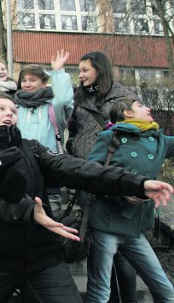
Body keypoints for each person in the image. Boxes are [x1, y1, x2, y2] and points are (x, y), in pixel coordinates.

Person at [0, 91, 172, 303]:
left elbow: (78, 169)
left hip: (43, 257)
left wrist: (136, 184)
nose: (9, 113)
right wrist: (29, 211)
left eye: (13, 111)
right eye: (1, 109)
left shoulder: (32, 148)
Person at [84, 97, 174, 303]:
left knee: (166, 290)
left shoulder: (158, 140)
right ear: (128, 113)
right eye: (141, 105)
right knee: (100, 292)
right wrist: (122, 191)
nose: (148, 107)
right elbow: (89, 173)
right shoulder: (110, 137)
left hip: (134, 227)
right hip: (106, 222)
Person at [67, 51, 137, 303]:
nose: (81, 75)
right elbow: (73, 128)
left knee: (122, 251)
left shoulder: (125, 98)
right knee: (98, 243)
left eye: (85, 69)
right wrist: (75, 147)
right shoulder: (79, 96)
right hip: (88, 177)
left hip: (117, 179)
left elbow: (137, 137)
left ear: (100, 69)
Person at [0, 49, 73, 214]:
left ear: (44, 83)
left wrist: (58, 72)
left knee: (51, 216)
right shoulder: (14, 106)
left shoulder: (53, 107)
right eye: (24, 80)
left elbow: (64, 99)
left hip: (48, 169)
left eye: (33, 80)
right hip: (19, 168)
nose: (27, 84)